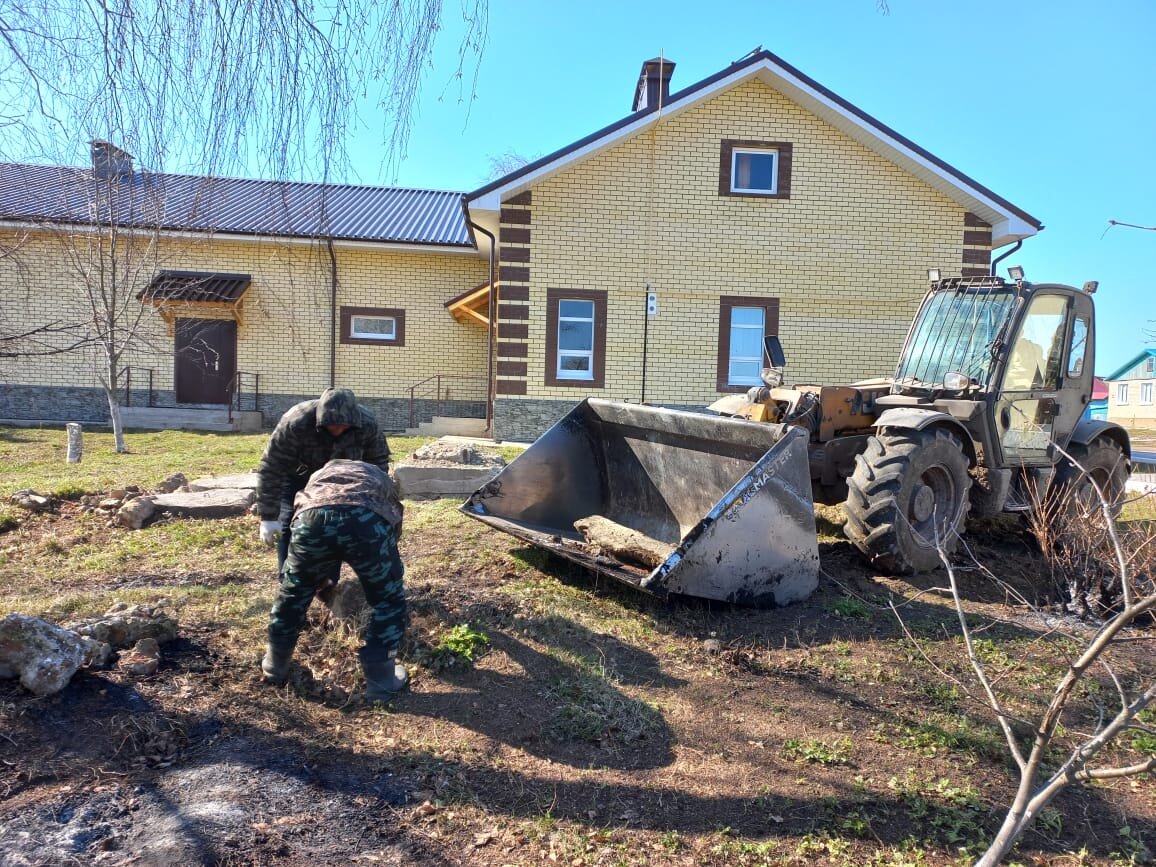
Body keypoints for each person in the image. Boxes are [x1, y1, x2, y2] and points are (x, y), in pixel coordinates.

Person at [261, 459, 408, 700]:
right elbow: (393, 525)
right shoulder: (380, 478)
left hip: (312, 517)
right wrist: (380, 570)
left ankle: (275, 665)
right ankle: (381, 679)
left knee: (294, 591)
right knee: (388, 599)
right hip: (367, 520)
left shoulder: (319, 476)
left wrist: (314, 575)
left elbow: (301, 519)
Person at [255, 387, 392, 576]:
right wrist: (268, 516)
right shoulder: (297, 421)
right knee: (290, 525)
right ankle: (289, 581)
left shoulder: (367, 424)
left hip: (339, 482)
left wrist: (375, 499)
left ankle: (328, 582)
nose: (337, 430)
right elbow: (272, 466)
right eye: (332, 425)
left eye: (343, 426)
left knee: (334, 525)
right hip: (297, 478)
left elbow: (378, 462)